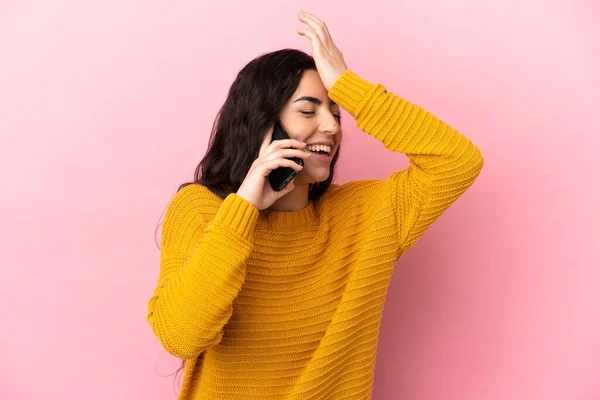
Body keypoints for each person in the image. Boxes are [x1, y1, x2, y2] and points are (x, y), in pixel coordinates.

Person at [147, 10, 484, 400]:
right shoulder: (200, 208)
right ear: (261, 125)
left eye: (337, 112)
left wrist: (347, 84)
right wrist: (241, 212)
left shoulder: (367, 214)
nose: (333, 126)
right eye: (309, 110)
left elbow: (458, 162)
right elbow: (181, 336)